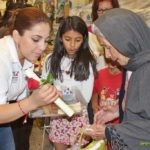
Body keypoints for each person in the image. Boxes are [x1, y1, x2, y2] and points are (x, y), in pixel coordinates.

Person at [84, 8, 150, 150]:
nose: (108, 56)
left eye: (108, 47)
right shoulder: (133, 63)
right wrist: (117, 111)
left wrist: (110, 132)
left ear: (125, 40)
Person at [0, 7, 58, 150]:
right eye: (36, 39)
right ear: (16, 35)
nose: (42, 47)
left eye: (46, 40)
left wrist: (47, 95)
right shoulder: (2, 58)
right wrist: (32, 102)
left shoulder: (26, 57)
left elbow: (21, 90)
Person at [42, 16, 97, 150]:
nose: (72, 45)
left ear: (84, 39)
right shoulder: (51, 60)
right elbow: (44, 84)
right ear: (60, 38)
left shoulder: (87, 62)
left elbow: (86, 98)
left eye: (77, 40)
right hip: (58, 116)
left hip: (78, 116)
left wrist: (66, 93)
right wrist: (51, 92)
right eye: (67, 39)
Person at [87, 0, 121, 124]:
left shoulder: (122, 33)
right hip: (97, 86)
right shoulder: (89, 34)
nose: (104, 14)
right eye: (100, 10)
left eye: (108, 10)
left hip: (116, 83)